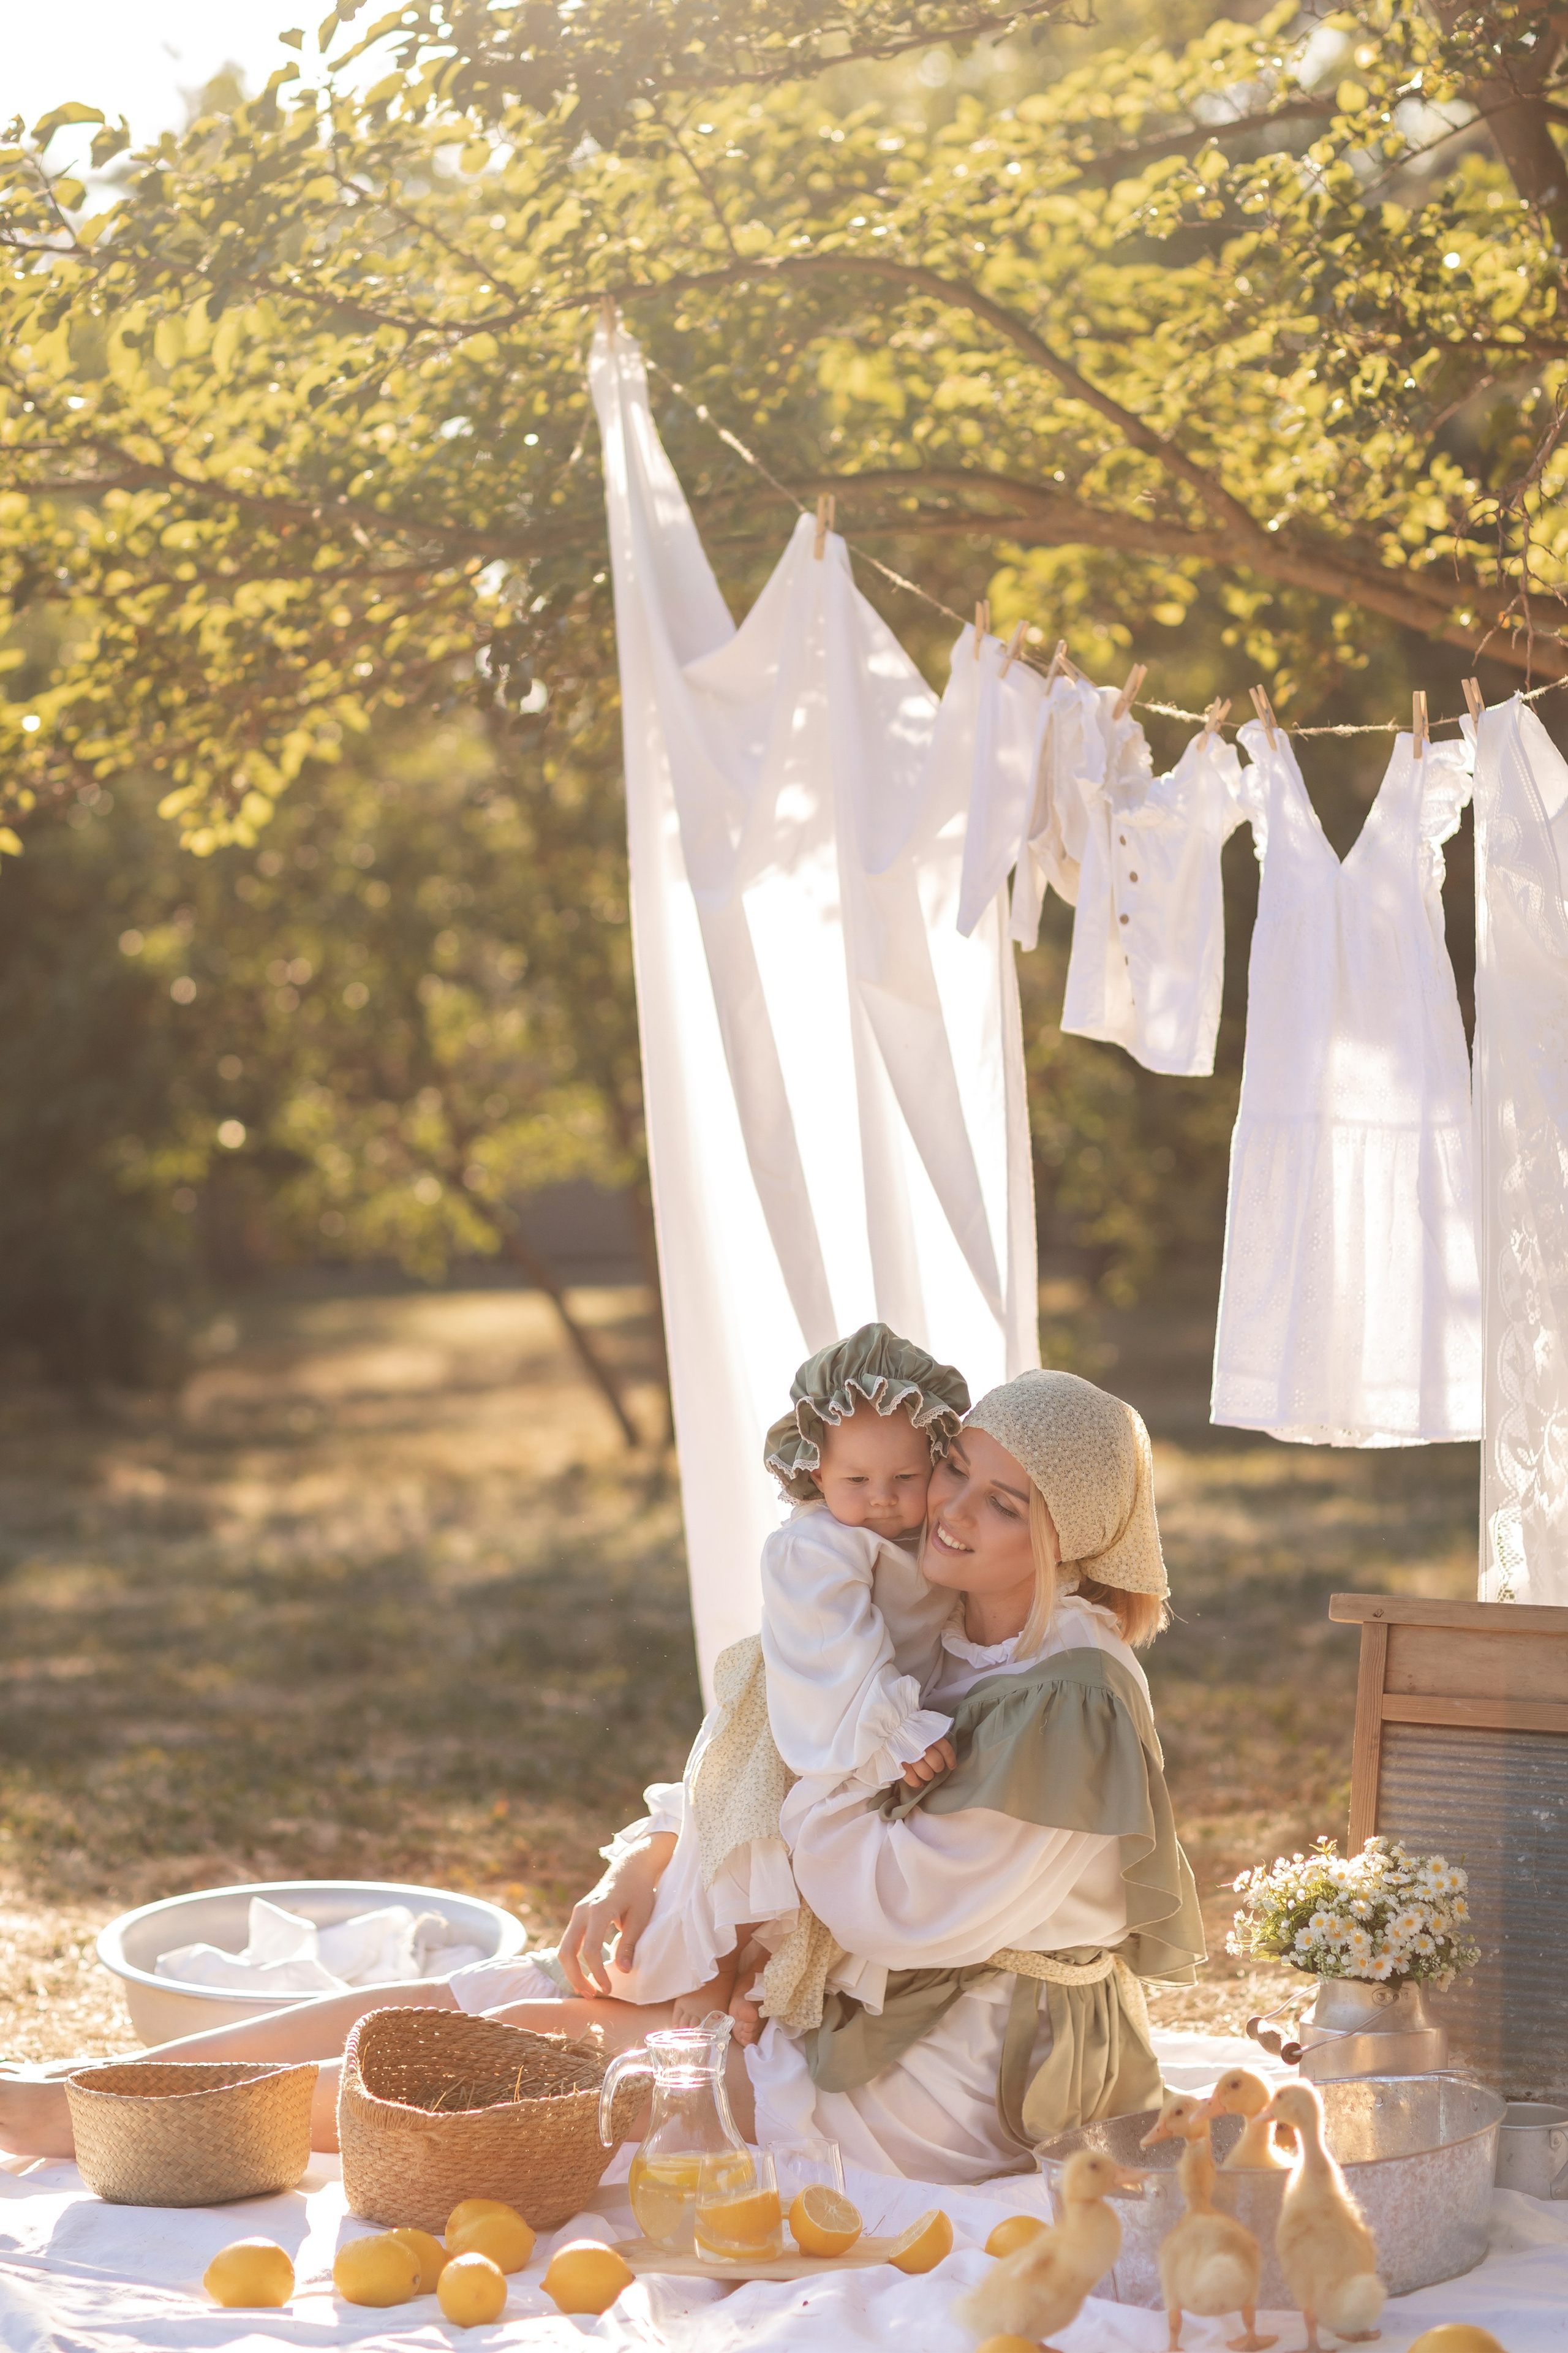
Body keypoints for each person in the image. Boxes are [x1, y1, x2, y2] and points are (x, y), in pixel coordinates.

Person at [0, 1370, 1203, 2184]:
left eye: (1005, 1506)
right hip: (861, 1982)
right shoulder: (945, 1610)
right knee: (517, 1979)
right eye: (960, 1472)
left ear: (1070, 1541)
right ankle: (79, 2091)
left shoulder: (1071, 1697)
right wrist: (659, 1855)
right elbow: (768, 1742)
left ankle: (111, 2131)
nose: (951, 1513)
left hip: (972, 2058)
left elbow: (885, 1896)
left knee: (543, 2042)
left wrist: (813, 1798)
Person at [420, 1323, 970, 2045]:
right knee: (747, 1838)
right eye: (856, 1481)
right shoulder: (816, 1545)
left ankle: (739, 1968)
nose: (882, 1500)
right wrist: (894, 1728)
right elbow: (839, 1649)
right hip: (807, 1714)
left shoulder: (923, 1541)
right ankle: (710, 1971)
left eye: (905, 1479)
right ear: (812, 1472)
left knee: (790, 1849)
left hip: (847, 1719)